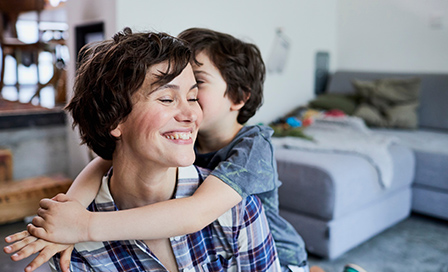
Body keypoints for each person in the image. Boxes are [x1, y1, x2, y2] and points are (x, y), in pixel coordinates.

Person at [6, 27, 314, 272]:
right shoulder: (72, 252)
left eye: (195, 94)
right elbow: (104, 161)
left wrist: (84, 225)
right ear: (115, 120)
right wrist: (68, 212)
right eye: (167, 98)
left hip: (283, 253)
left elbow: (197, 213)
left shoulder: (246, 172)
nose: (192, 113)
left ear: (238, 99)